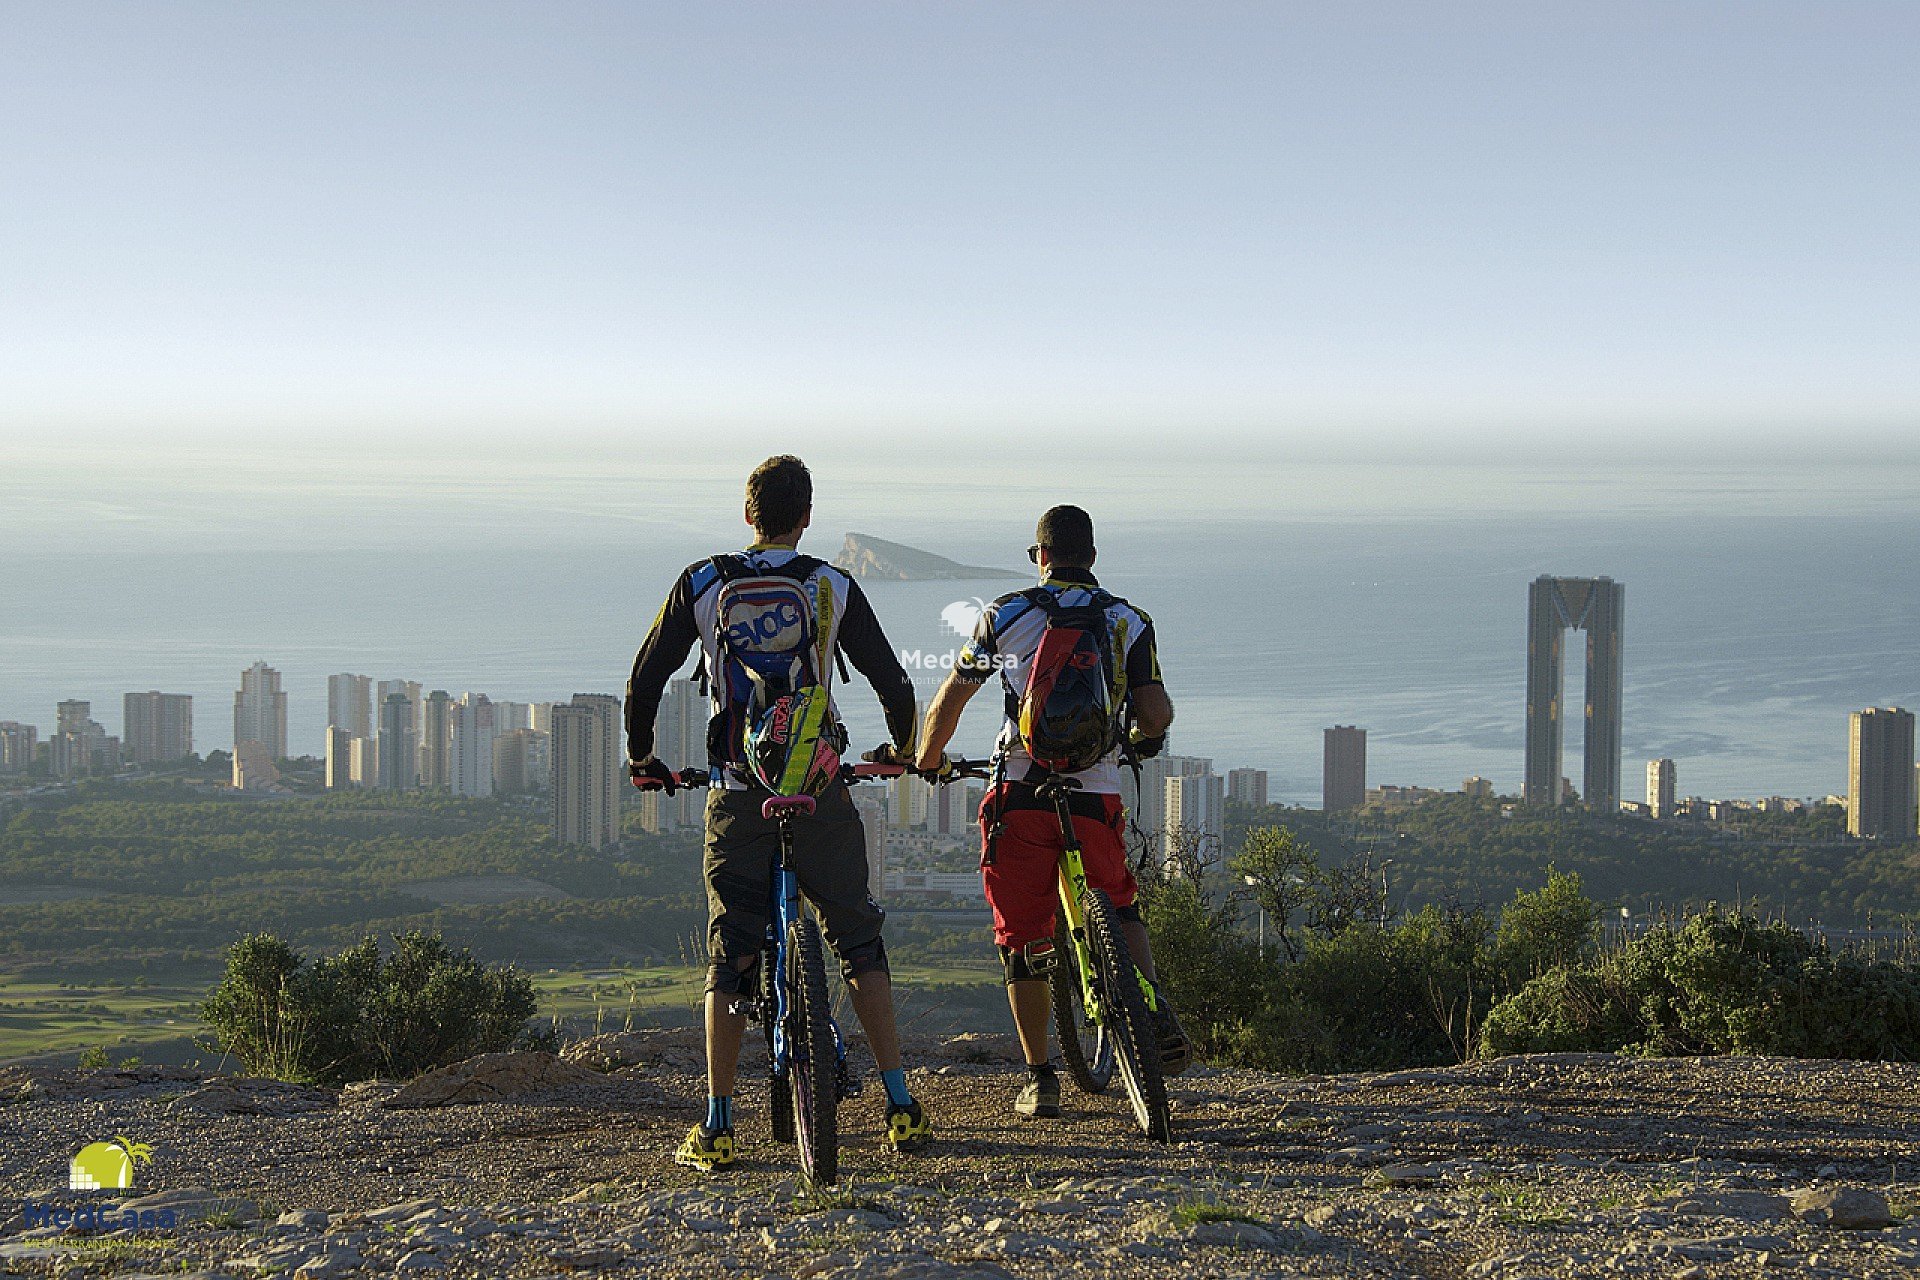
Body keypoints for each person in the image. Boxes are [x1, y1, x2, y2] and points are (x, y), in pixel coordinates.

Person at [625, 455, 933, 1170]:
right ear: (807, 517)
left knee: (730, 953)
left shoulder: (704, 582)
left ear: (747, 515)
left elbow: (644, 681)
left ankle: (717, 1122)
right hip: (818, 789)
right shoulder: (830, 584)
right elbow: (894, 684)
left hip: (737, 790)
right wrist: (902, 747)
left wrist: (644, 759)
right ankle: (899, 1104)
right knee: (858, 941)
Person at [914, 504, 1189, 1119]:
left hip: (1022, 790)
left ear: (1039, 557)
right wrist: (1140, 744)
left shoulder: (1007, 614)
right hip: (1095, 793)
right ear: (1092, 557)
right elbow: (1155, 711)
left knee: (1023, 935)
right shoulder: (1128, 620)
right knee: (1120, 902)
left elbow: (950, 699)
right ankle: (1147, 1008)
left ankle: (1040, 1077)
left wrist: (928, 759)